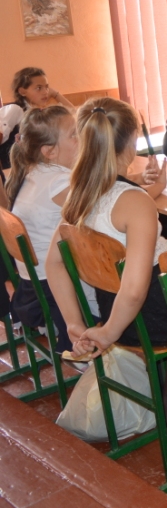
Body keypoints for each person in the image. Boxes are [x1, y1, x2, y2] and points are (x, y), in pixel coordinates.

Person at [45, 98, 167, 355]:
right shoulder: (136, 202)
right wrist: (108, 333)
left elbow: (53, 263)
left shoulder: (81, 195)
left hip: (111, 311)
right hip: (152, 319)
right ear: (133, 138)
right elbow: (133, 293)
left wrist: (73, 323)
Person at [6, 107, 84, 352]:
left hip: (33, 284)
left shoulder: (34, 173)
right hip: (55, 287)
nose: (82, 137)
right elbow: (105, 210)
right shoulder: (59, 182)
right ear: (49, 151)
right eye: (74, 134)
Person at [1, 68, 77, 170]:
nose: (45, 92)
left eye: (47, 87)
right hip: (10, 169)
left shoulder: (38, 112)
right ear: (22, 91)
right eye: (38, 88)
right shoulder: (15, 109)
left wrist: (56, 94)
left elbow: (74, 114)